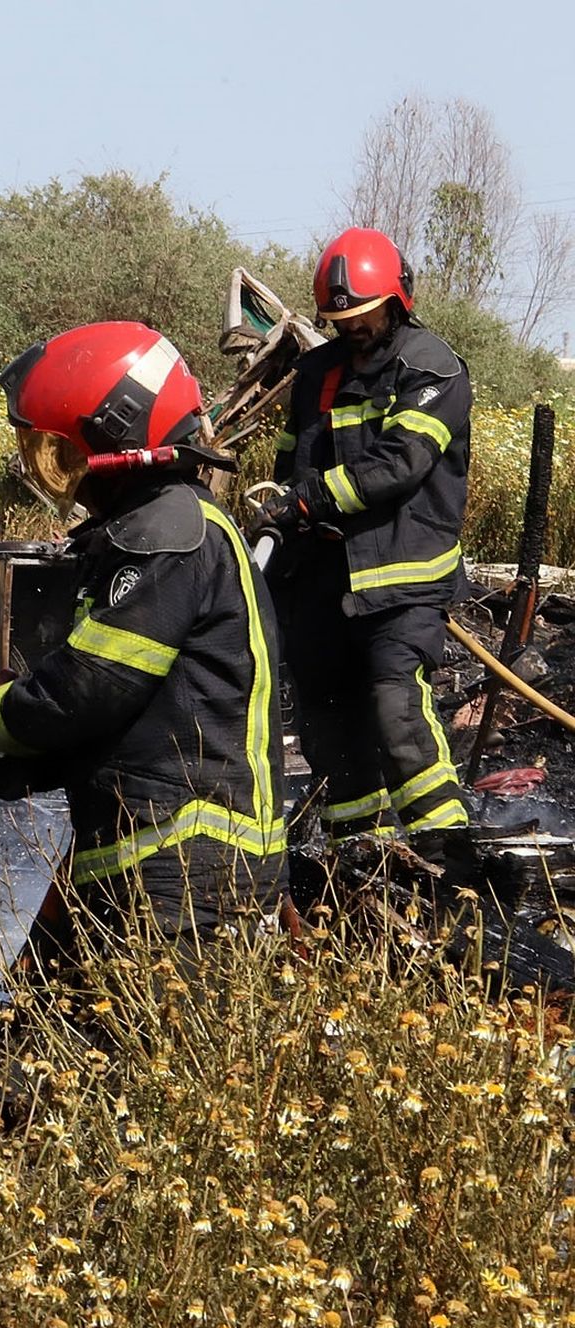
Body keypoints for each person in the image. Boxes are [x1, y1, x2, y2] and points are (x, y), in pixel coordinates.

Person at [0, 322, 286, 975]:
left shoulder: (168, 533)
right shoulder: (155, 528)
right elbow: (135, 718)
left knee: (140, 1068)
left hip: (182, 881)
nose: (60, 476)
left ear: (118, 439)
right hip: (153, 870)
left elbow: (87, 690)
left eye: (61, 453)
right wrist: (17, 750)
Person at [263, 227, 474, 889]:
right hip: (323, 586)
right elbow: (290, 463)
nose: (354, 331)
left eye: (365, 317)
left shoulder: (433, 368)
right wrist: (280, 509)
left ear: (397, 301)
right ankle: (363, 867)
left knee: (396, 710)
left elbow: (397, 466)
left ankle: (451, 861)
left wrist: (305, 502)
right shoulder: (314, 375)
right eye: (340, 321)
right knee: (329, 730)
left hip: (403, 588)